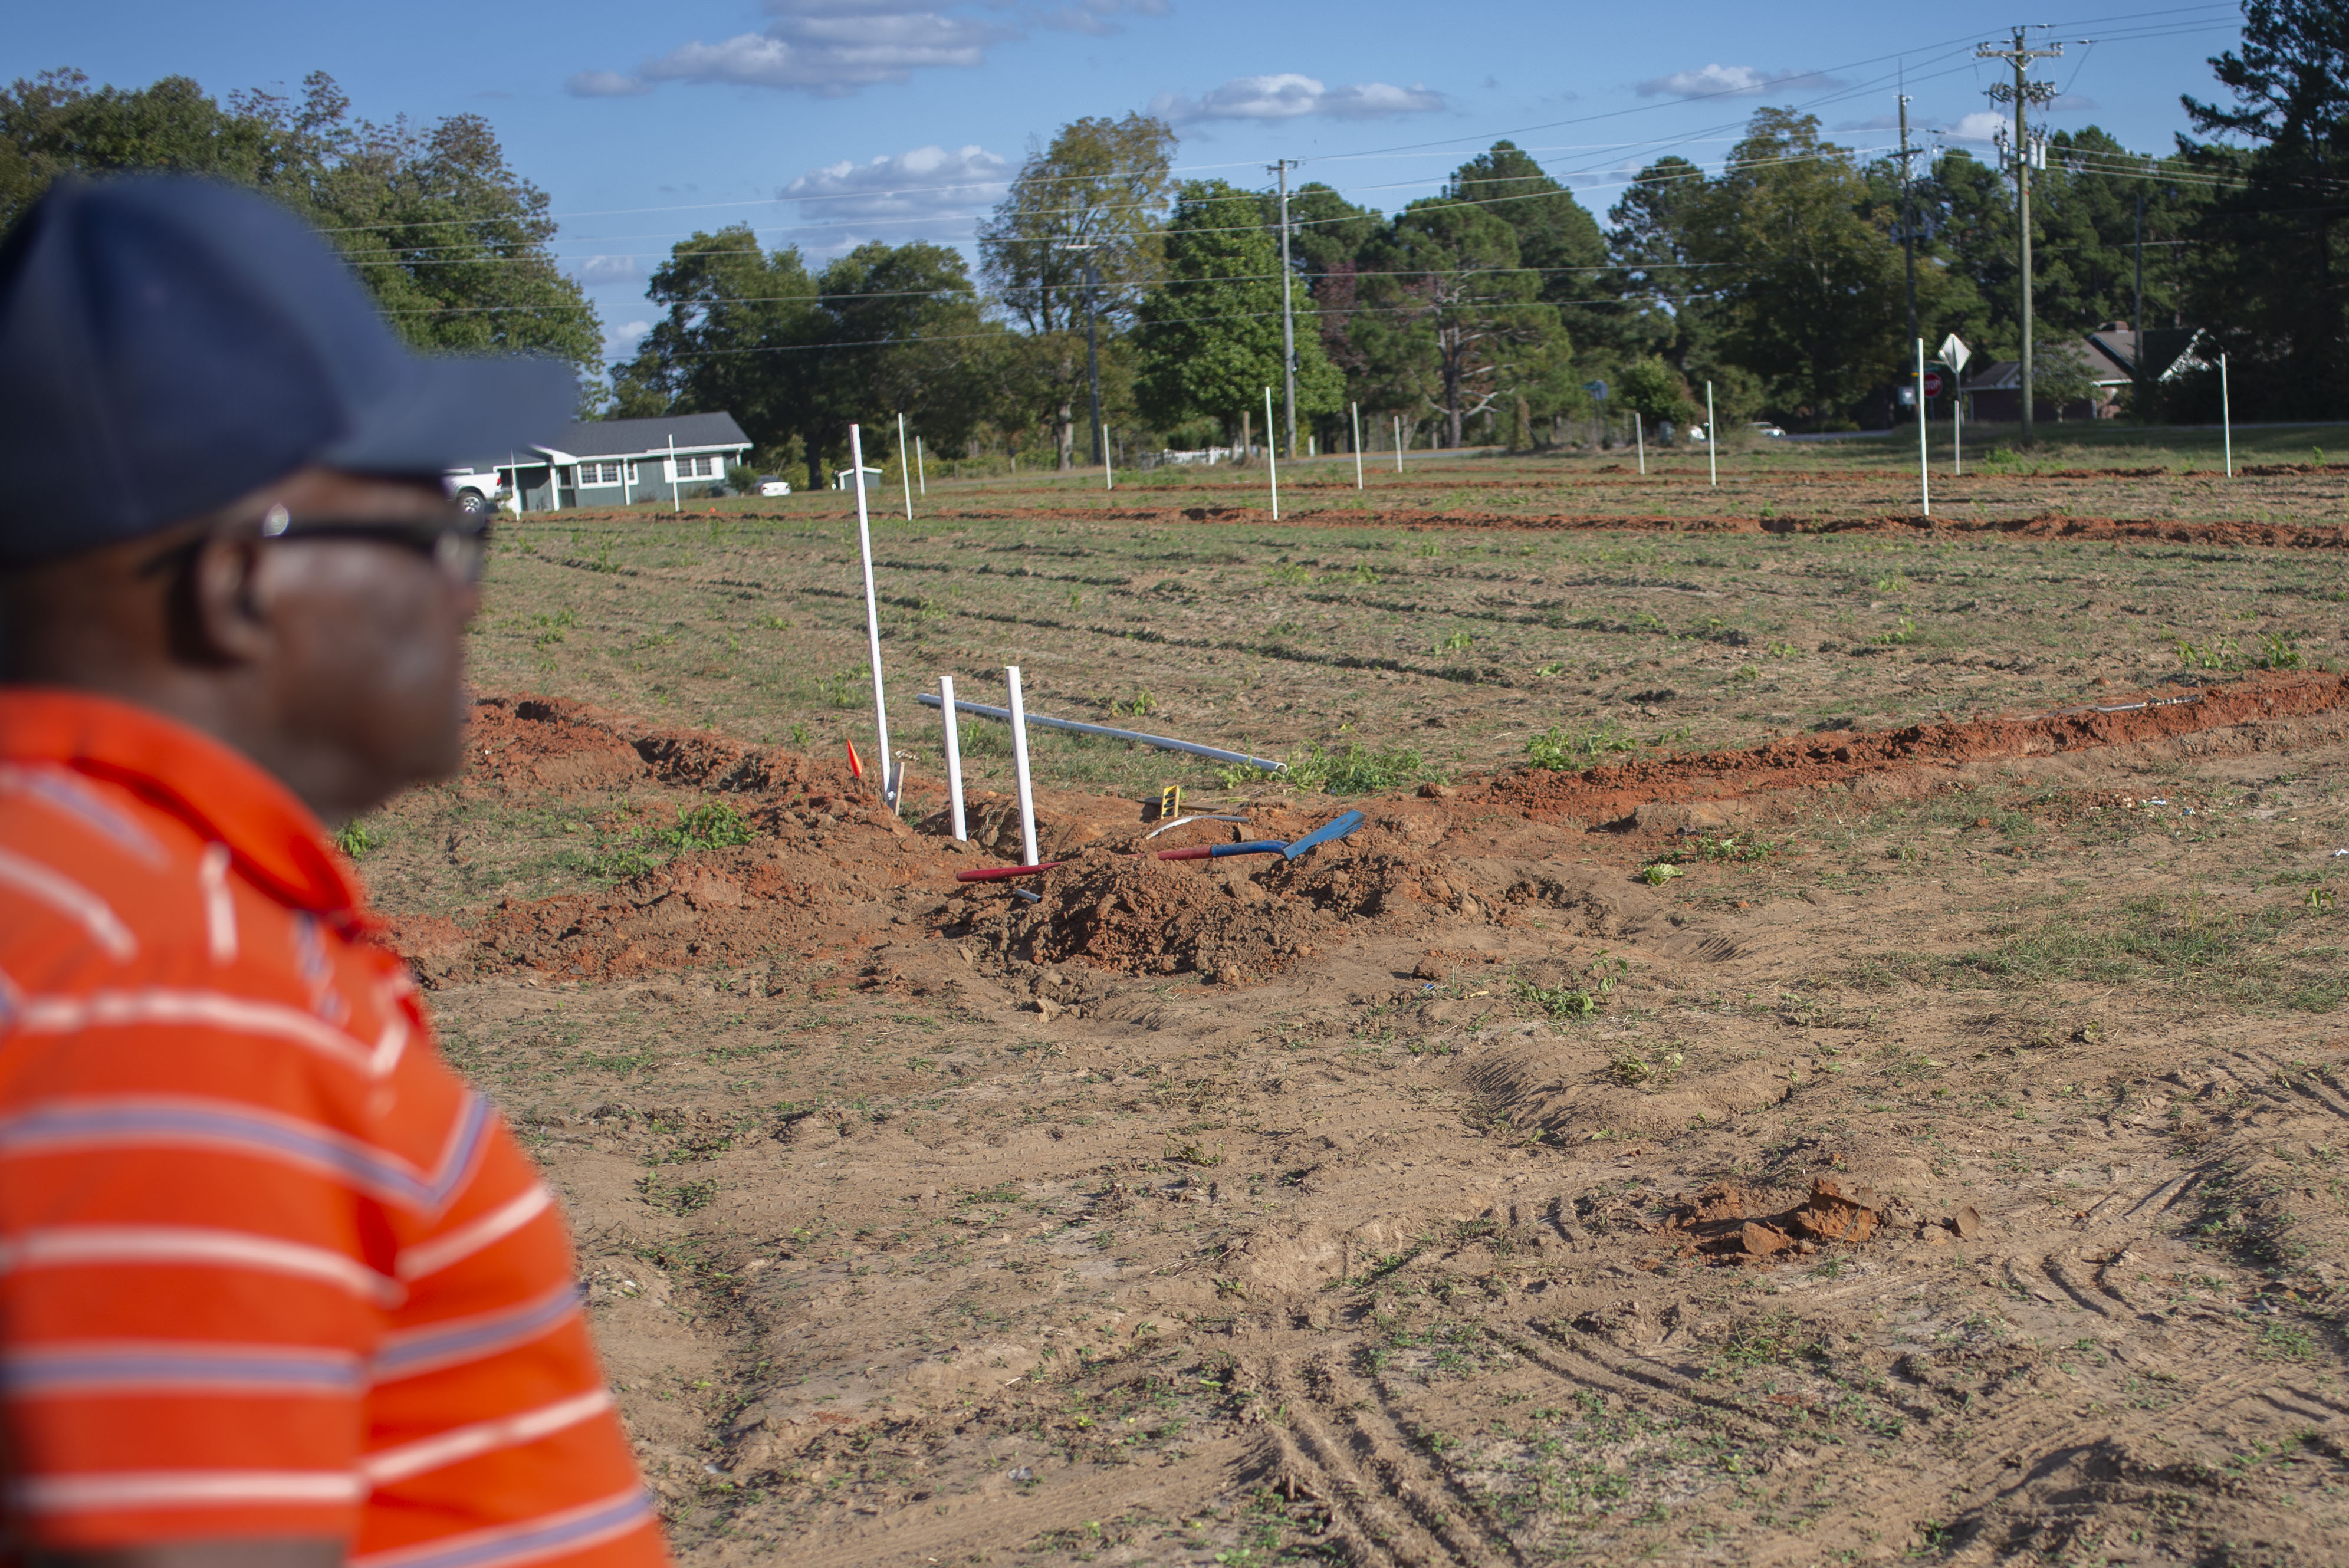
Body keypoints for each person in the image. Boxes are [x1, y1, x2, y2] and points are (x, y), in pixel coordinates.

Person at [0, 177, 667, 1568]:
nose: (465, 590)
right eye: (436, 532)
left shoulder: (73, 893)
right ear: (243, 581)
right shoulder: (166, 990)